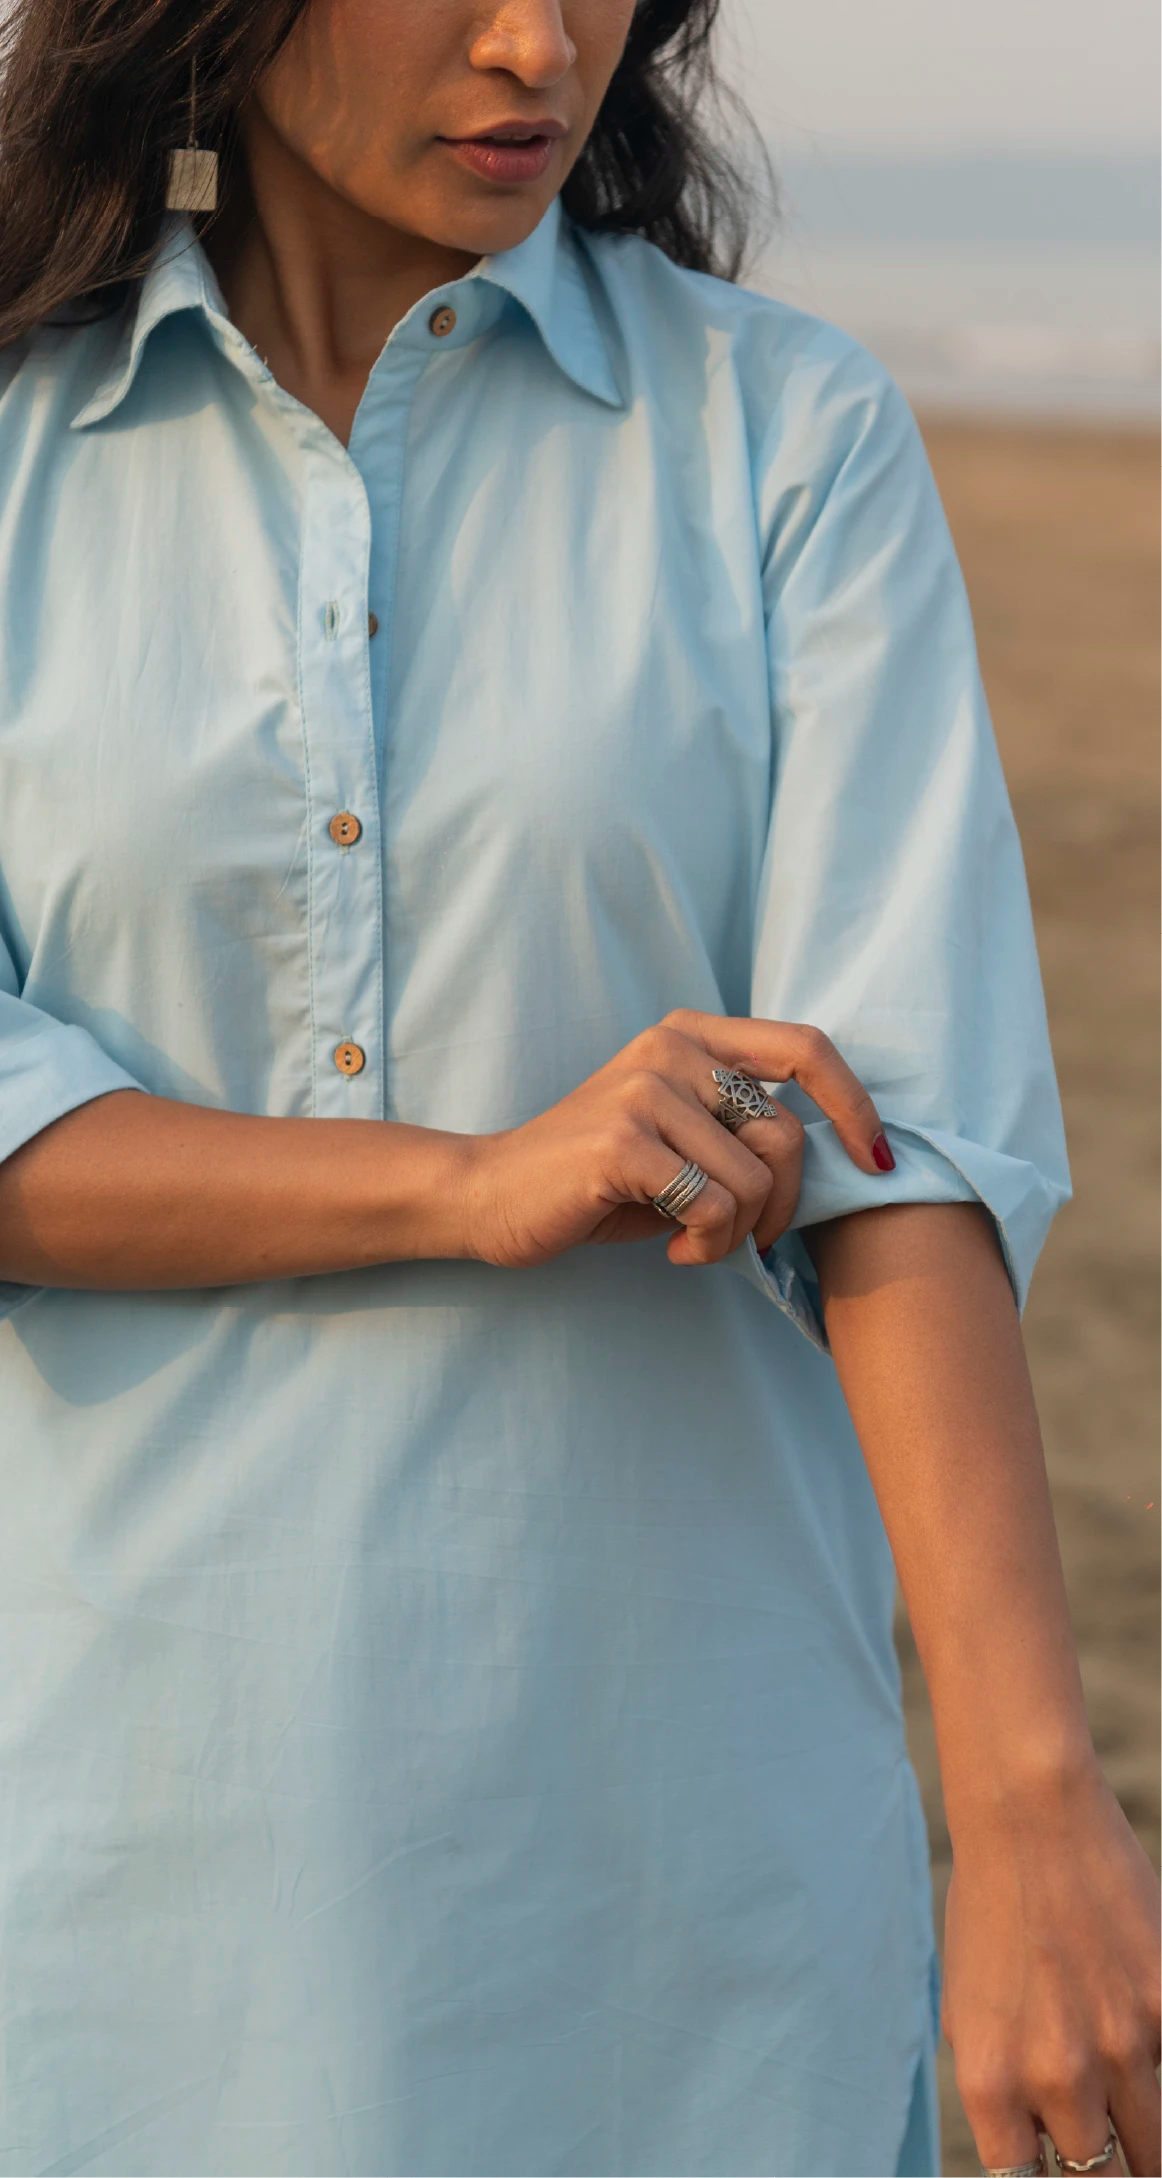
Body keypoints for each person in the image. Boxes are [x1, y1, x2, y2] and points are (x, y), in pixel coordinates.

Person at [0, 0, 1159, 2172]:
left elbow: (898, 1156)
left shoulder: (776, 433)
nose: (537, 41)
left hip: (678, 1876)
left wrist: (1026, 1814)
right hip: (102, 1866)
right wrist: (460, 1184)